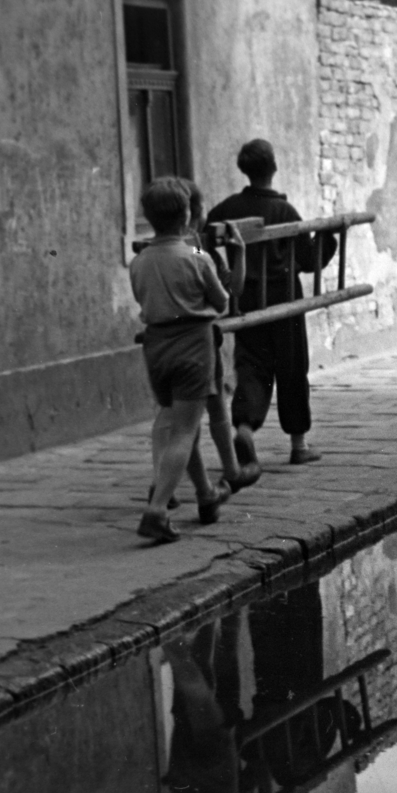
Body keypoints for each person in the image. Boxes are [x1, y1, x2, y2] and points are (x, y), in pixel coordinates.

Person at [206, 139, 336, 471]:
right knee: (292, 368)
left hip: (246, 298)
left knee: (251, 365)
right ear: (274, 168)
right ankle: (299, 445)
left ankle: (246, 428)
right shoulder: (285, 212)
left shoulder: (226, 209)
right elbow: (308, 262)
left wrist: (223, 267)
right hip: (284, 298)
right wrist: (329, 238)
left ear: (244, 170)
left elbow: (202, 238)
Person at [130, 178, 246, 544]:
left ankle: (206, 492)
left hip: (156, 346)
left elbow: (141, 299)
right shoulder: (196, 256)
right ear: (186, 216)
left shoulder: (140, 260)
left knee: (181, 423)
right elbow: (222, 299)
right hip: (192, 346)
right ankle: (157, 510)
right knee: (185, 430)